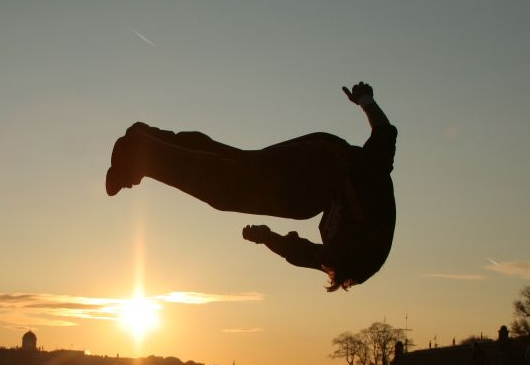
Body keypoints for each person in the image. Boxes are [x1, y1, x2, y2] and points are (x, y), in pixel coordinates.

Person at [106, 82, 397, 291]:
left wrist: (266, 237)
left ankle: (147, 141)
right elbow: (385, 133)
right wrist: (365, 100)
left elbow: (299, 252)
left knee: (233, 166)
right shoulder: (372, 198)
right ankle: (142, 154)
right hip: (323, 161)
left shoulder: (340, 258)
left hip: (315, 187)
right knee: (230, 185)